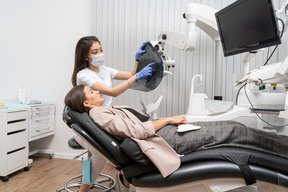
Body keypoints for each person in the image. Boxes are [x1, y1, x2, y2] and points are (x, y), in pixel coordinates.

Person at [64, 85, 288, 189]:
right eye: (92, 92)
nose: (98, 90)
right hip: (162, 140)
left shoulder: (97, 110)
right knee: (237, 131)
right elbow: (133, 133)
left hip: (160, 135)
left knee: (234, 127)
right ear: (85, 103)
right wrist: (167, 120)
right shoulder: (97, 112)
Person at [70, 36, 154, 192]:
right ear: (85, 56)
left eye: (101, 50)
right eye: (95, 52)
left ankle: (125, 180)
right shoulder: (83, 75)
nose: (99, 54)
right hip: (89, 124)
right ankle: (82, 190)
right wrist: (137, 77)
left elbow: (130, 74)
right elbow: (113, 92)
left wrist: (138, 60)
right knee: (100, 154)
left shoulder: (104, 70)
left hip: (104, 119)